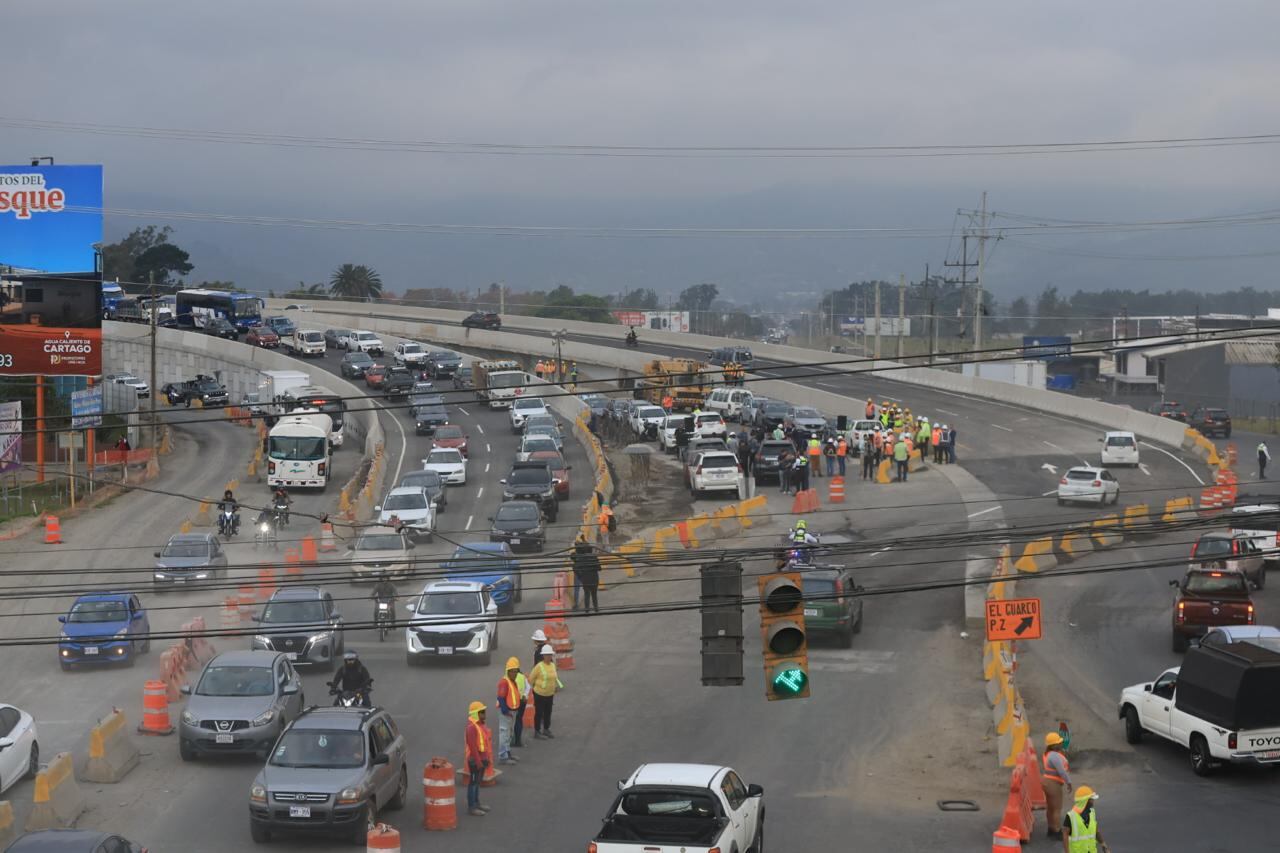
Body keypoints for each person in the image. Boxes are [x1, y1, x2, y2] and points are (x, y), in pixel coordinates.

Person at [1041, 731, 1072, 839]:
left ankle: (1051, 829)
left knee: (1050, 807)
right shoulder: (1054, 756)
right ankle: (1057, 831)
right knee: (1057, 809)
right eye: (1059, 742)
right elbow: (1062, 771)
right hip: (1053, 784)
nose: (1061, 743)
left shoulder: (1048, 754)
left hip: (1046, 782)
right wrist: (1069, 782)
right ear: (1054, 745)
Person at [464, 701, 493, 816]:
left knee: (477, 783)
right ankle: (472, 807)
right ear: (476, 714)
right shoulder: (471, 728)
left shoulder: (481, 726)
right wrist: (478, 762)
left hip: (481, 760)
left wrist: (487, 759)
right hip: (475, 761)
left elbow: (485, 744)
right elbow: (472, 747)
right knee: (473, 783)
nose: (484, 714)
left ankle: (477, 803)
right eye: (482, 712)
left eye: (484, 712)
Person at [1062, 785, 1108, 853]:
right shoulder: (1071, 816)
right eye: (1091, 799)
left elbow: (1096, 831)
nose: (1093, 801)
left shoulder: (1092, 813)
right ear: (1085, 801)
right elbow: (1065, 836)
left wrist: (1103, 844)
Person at [531, 644, 563, 738]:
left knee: (548, 712)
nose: (548, 657)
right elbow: (531, 678)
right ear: (543, 655)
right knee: (539, 713)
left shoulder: (552, 665)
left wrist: (555, 686)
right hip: (539, 694)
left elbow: (554, 677)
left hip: (550, 694)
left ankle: (546, 729)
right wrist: (534, 689)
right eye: (547, 655)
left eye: (550, 655)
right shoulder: (539, 666)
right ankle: (537, 731)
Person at [495, 658, 522, 766]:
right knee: (504, 734)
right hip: (506, 712)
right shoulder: (504, 682)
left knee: (509, 734)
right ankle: (503, 756)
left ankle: (507, 753)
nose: (515, 674)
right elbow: (501, 697)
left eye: (516, 671)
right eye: (513, 671)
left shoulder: (512, 681)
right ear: (508, 671)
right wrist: (505, 711)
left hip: (512, 711)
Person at [572, 540, 602, 613]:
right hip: (594, 578)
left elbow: (576, 568)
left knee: (587, 594)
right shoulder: (594, 557)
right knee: (594, 594)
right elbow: (599, 568)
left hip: (585, 579)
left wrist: (581, 577)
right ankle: (596, 609)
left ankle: (587, 610)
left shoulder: (581, 558)